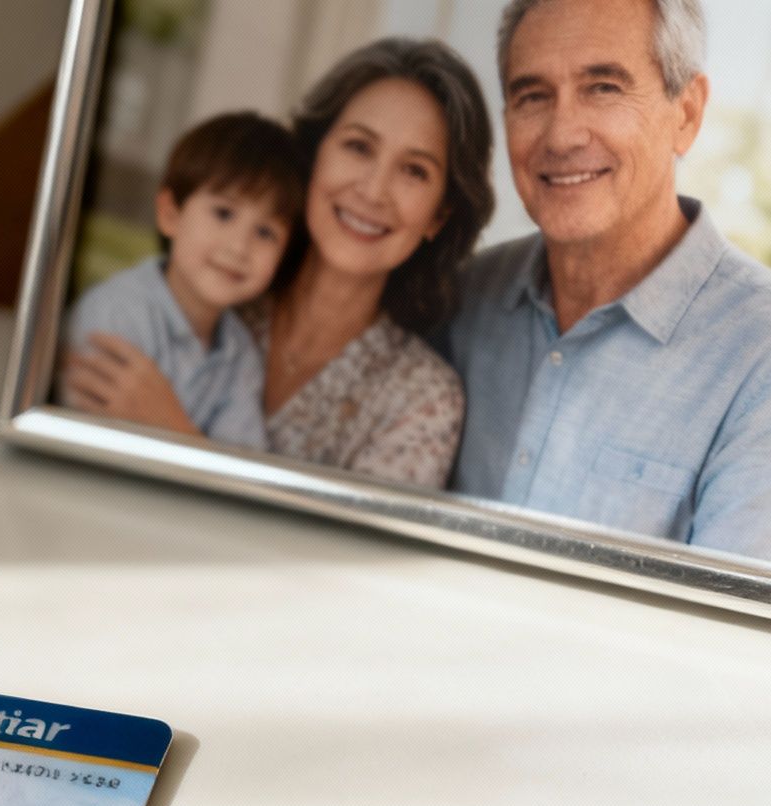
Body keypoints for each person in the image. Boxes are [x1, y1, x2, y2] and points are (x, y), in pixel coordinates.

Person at [442, 0, 771, 569]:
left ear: (686, 114)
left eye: (604, 88)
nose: (562, 134)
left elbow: (732, 643)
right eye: (533, 96)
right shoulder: (465, 299)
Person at [67, 38, 496, 489]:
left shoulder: (422, 400)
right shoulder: (216, 289)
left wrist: (178, 439)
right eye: (358, 147)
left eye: (414, 171)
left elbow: (340, 561)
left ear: (438, 216)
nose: (373, 191)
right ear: (314, 156)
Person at [59, 112, 306, 450]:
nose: (239, 247)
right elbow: (81, 443)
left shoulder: (240, 354)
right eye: (223, 213)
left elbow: (239, 469)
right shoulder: (119, 315)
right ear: (170, 215)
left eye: (265, 232)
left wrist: (173, 428)